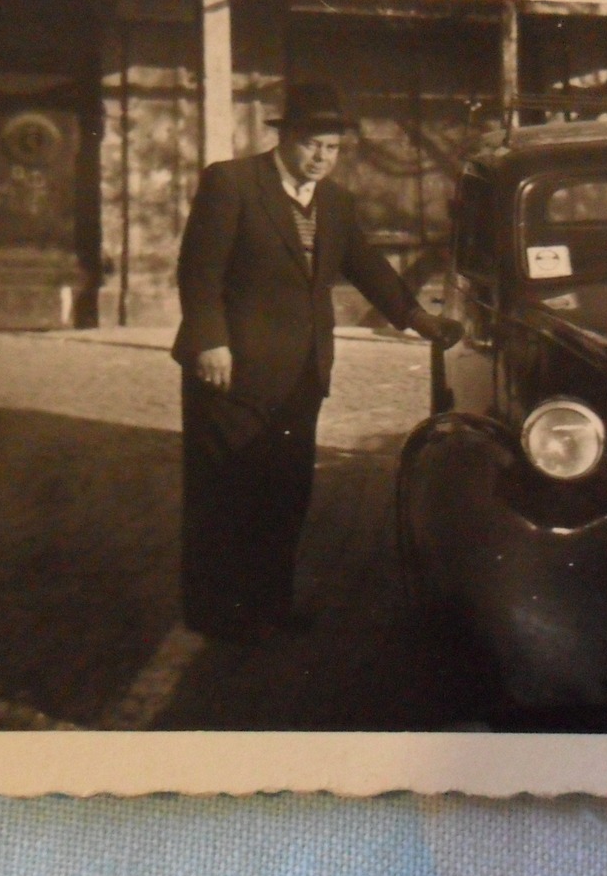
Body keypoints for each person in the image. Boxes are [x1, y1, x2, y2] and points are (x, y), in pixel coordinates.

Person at [171, 83, 460, 644]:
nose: (322, 158)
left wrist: (419, 320)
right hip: (229, 374)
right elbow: (198, 271)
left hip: (301, 376)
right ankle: (215, 615)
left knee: (285, 493)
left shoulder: (335, 203)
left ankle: (271, 606)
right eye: (311, 145)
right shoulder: (232, 183)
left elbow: (369, 267)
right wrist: (210, 342)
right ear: (283, 138)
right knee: (226, 495)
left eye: (331, 148)